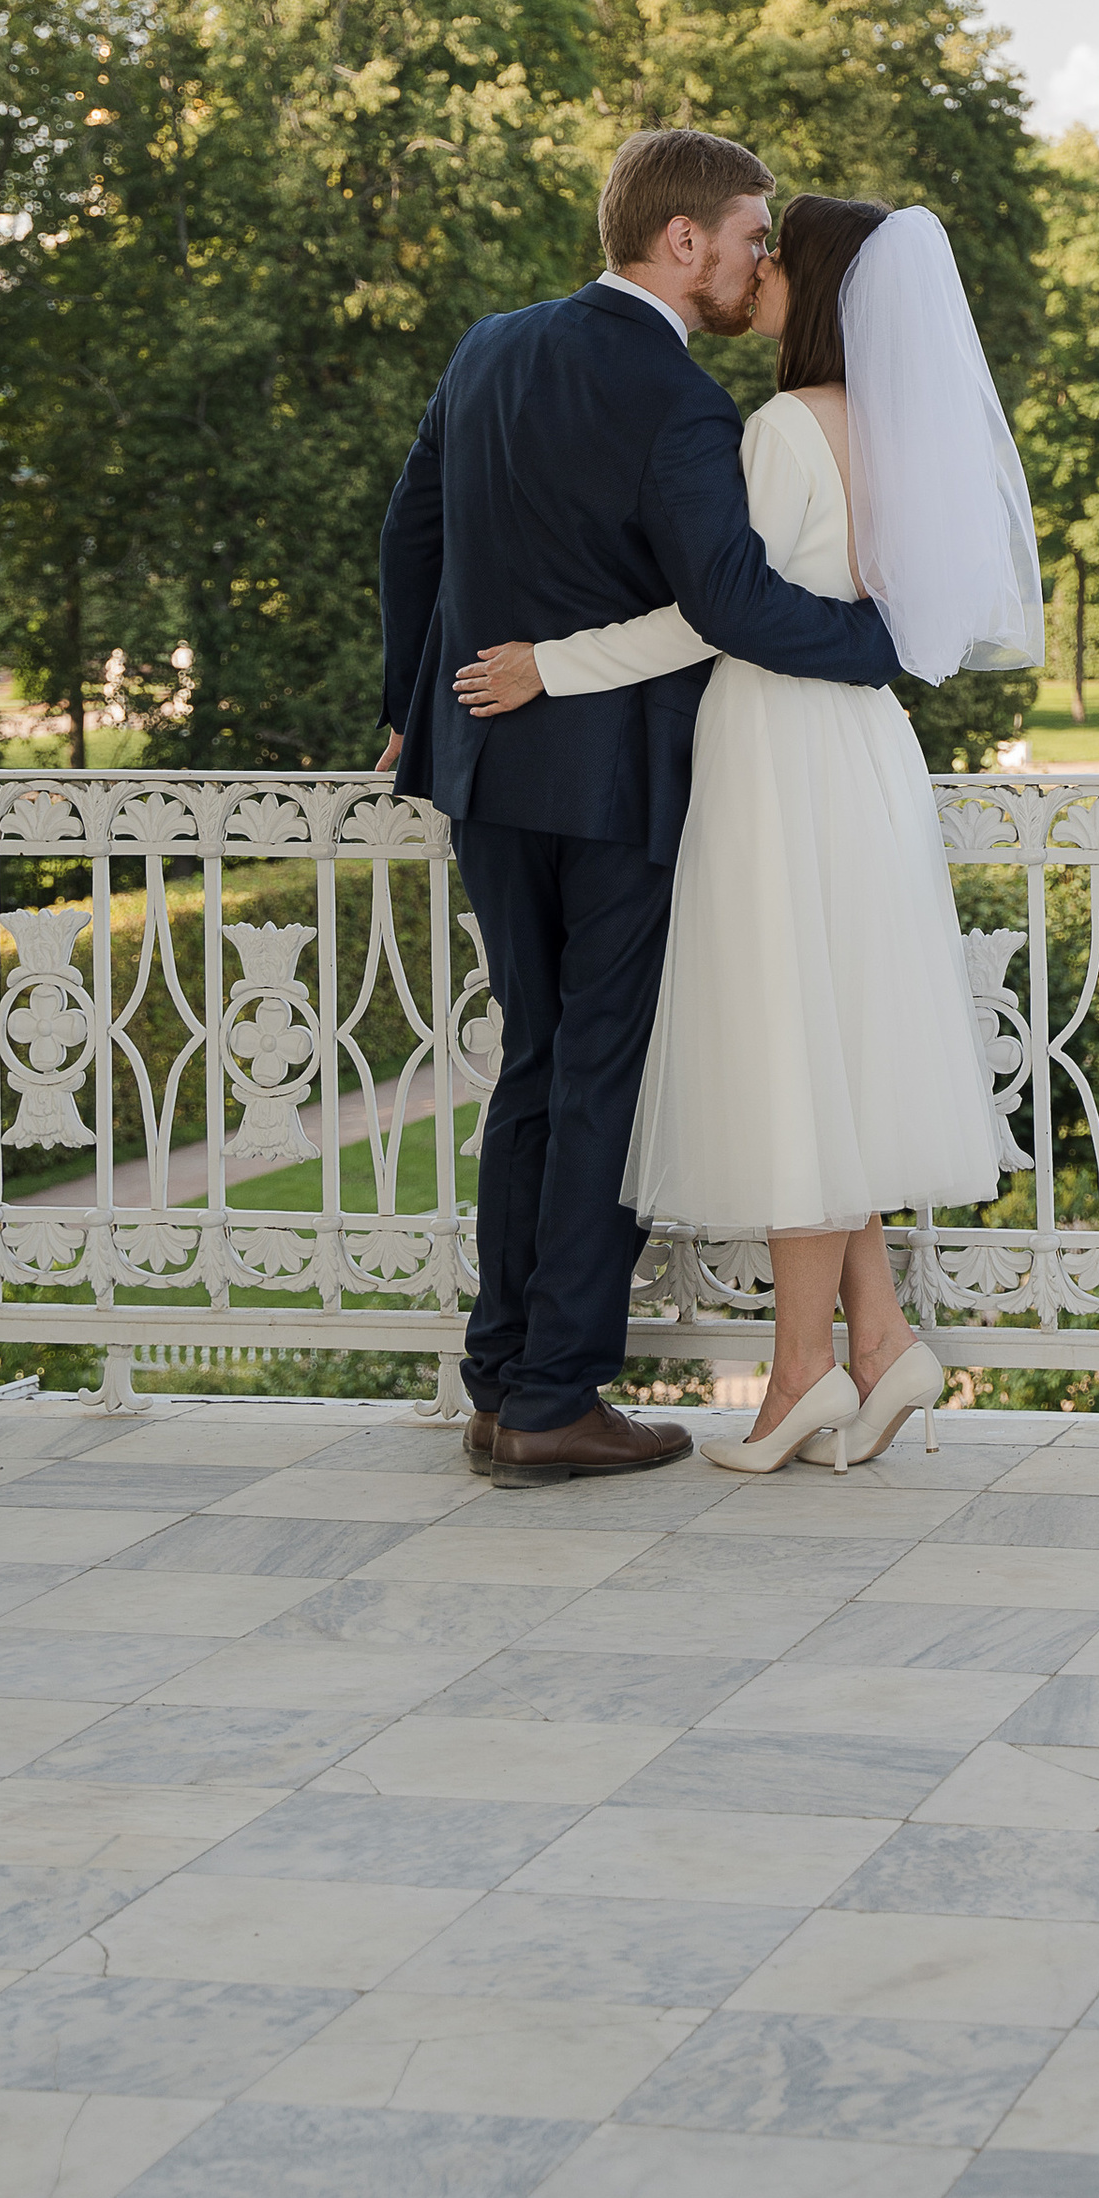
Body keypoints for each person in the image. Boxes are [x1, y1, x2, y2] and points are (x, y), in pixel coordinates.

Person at [455, 193, 1041, 1473]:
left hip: (779, 746)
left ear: (815, 286)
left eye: (776, 255)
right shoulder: (896, 431)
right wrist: (881, 656)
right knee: (835, 1045)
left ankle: (797, 1379)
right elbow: (863, 611)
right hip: (863, 749)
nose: (754, 269)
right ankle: (875, 1345)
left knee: (793, 1045)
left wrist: (550, 664)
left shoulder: (781, 426)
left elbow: (717, 611)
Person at [377, 128, 904, 1489]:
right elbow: (727, 604)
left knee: (535, 1066)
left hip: (487, 765)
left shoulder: (489, 344)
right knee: (596, 1069)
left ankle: (502, 1382)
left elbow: (411, 527)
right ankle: (554, 1398)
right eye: (746, 233)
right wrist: (881, 645)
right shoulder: (680, 404)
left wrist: (407, 703)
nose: (754, 260)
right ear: (683, 242)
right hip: (617, 785)